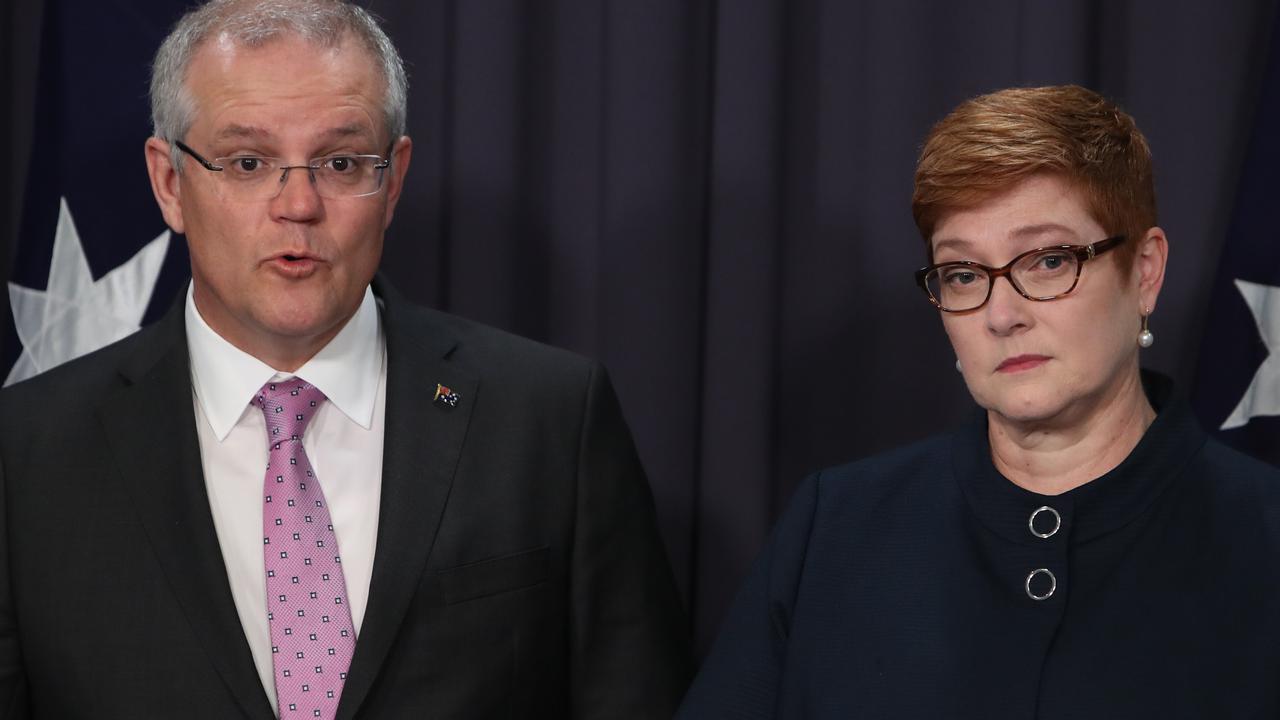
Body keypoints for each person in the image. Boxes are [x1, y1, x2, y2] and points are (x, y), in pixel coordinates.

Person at [0, 1, 692, 717]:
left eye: (338, 162)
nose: (298, 204)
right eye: (247, 161)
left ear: (392, 181)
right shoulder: (25, 455)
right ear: (170, 183)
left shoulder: (549, 419)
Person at [676, 85, 1280, 718]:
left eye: (1048, 261)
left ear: (1146, 271)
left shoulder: (1263, 538)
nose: (1001, 315)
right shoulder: (835, 525)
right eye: (964, 274)